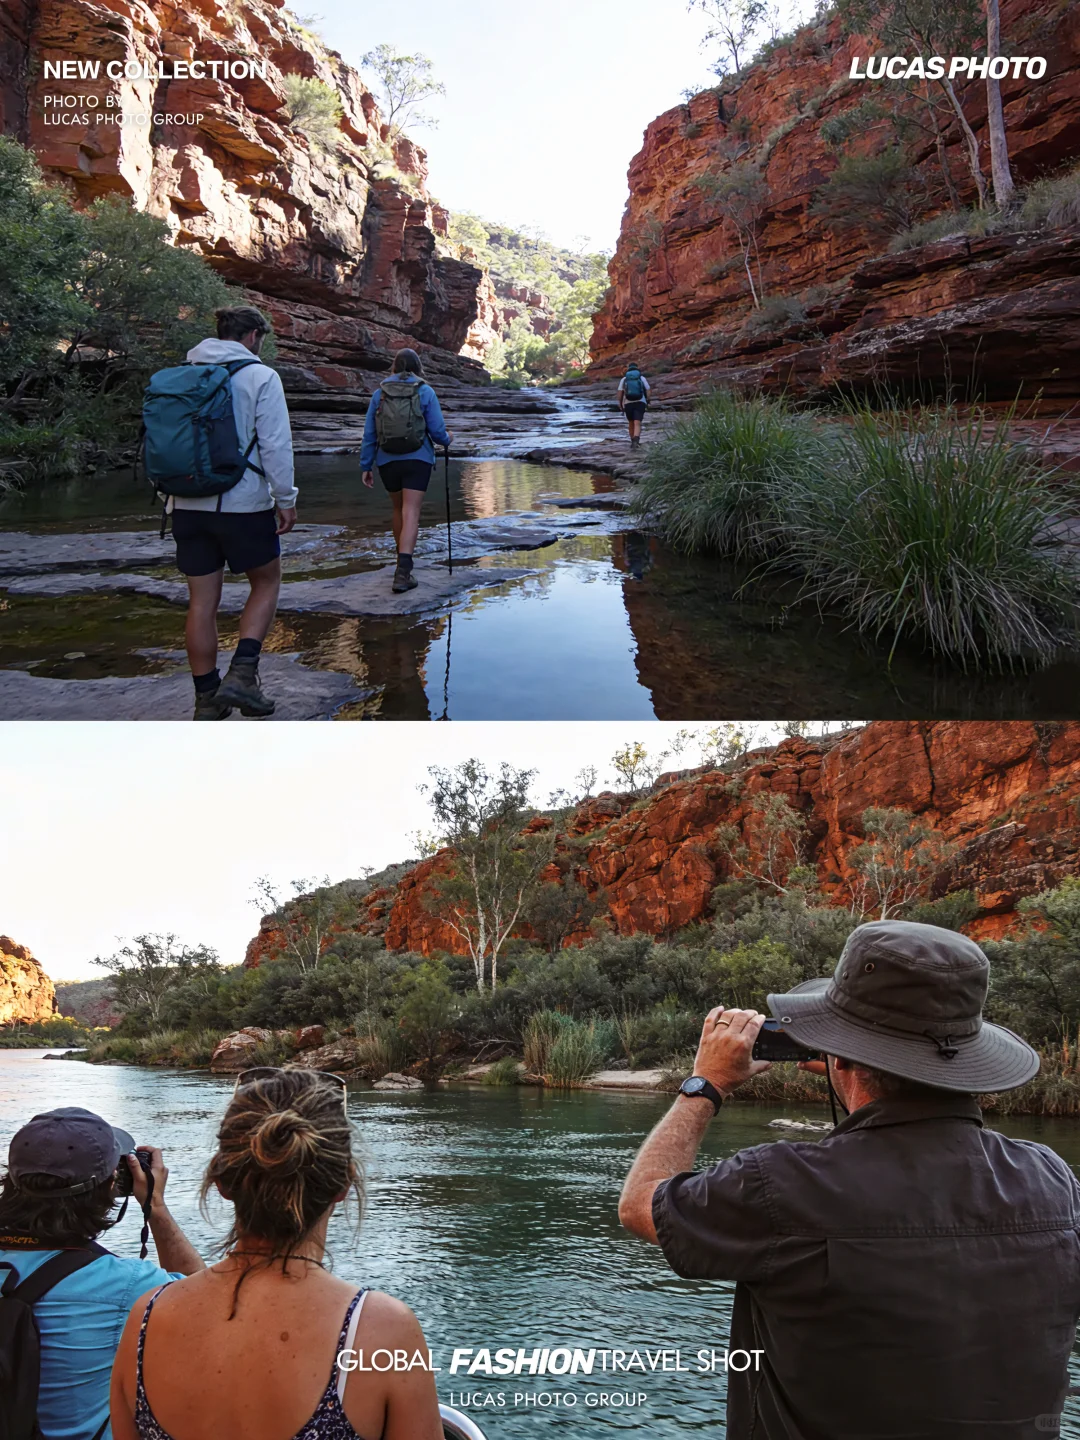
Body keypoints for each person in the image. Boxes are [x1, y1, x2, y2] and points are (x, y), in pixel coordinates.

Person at [618, 921, 1080, 1440]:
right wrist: (859, 1061)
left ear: (842, 1057)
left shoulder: (779, 1184)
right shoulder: (1052, 1181)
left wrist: (706, 1084)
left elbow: (640, 1203)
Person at [110, 1066, 443, 1440]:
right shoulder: (381, 1329)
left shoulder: (146, 1318)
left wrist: (156, 1207)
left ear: (221, 1183)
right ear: (343, 1185)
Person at [0, 1107, 203, 1440]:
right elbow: (204, 1303)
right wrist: (155, 1206)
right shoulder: (127, 1285)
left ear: (12, 1179)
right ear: (113, 1184)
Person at [173, 306, 298, 721]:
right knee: (266, 581)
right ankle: (242, 676)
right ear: (252, 337)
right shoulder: (261, 376)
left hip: (187, 503)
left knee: (201, 602)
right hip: (243, 504)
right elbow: (276, 445)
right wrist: (285, 498)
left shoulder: (184, 372)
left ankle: (206, 699)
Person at [360, 349, 452, 595]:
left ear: (394, 367)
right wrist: (448, 439)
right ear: (417, 367)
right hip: (417, 459)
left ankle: (400, 566)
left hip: (387, 460)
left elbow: (369, 433)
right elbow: (437, 431)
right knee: (411, 510)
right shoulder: (425, 391)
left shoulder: (379, 394)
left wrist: (366, 465)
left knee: (398, 508)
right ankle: (403, 572)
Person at [617, 362, 651, 448]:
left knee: (631, 422)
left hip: (628, 403)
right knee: (637, 422)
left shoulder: (624, 379)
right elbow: (648, 389)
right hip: (640, 402)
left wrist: (620, 404)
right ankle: (636, 441)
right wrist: (648, 400)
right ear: (637, 368)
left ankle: (633, 440)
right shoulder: (641, 378)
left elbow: (620, 393)